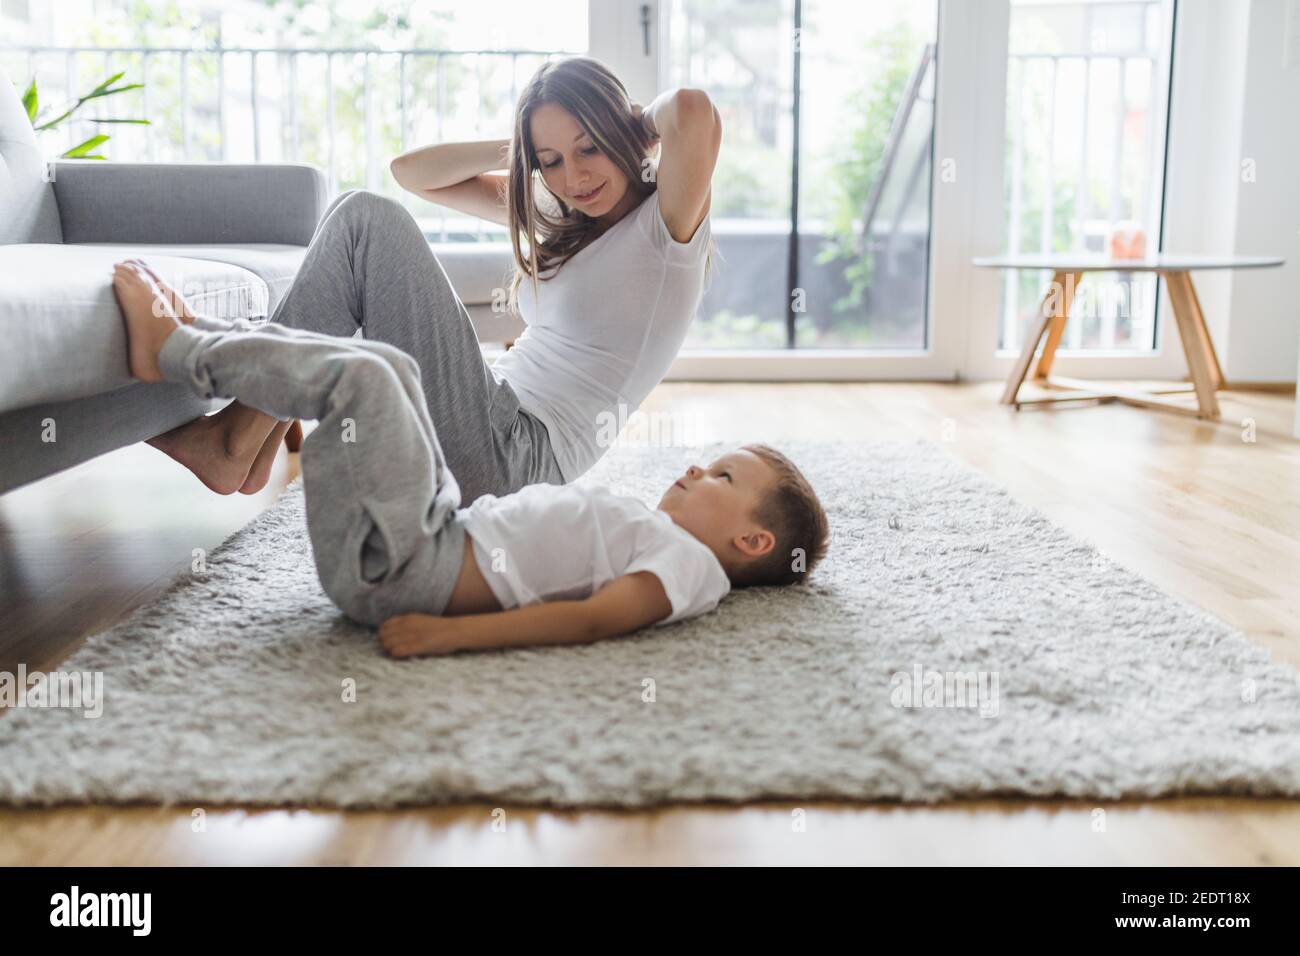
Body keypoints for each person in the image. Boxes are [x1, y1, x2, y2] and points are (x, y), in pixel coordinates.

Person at [112, 260, 827, 656]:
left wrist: (451, 636)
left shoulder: (691, 568)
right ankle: (205, 343)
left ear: (752, 541)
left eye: (723, 476)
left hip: (404, 574)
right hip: (434, 530)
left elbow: (593, 621)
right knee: (391, 366)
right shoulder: (671, 538)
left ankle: (177, 347)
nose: (698, 469)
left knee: (362, 381)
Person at [142, 56, 723, 505]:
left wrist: (626, 120)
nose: (574, 176)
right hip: (488, 423)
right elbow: (413, 173)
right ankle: (252, 441)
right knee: (361, 223)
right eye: (551, 161)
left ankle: (235, 441)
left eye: (590, 147)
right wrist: (526, 147)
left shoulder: (665, 229)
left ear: (624, 135)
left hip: (513, 457)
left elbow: (692, 111)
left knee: (365, 222)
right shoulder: (565, 217)